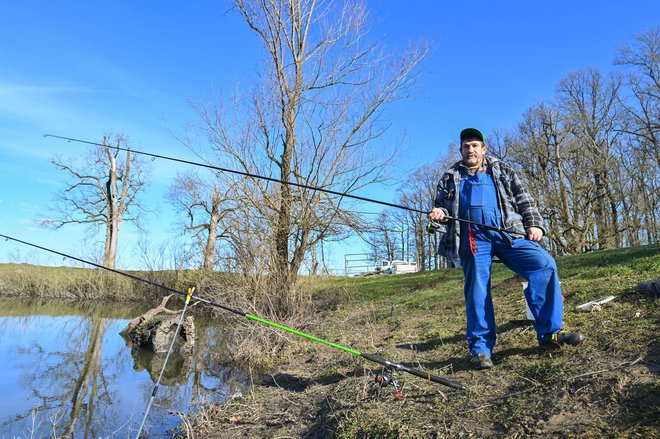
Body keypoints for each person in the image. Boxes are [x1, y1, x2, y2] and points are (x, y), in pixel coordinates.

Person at [429, 127, 584, 370]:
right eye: (466, 146)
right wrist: (439, 214)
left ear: (484, 148)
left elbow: (524, 199)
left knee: (544, 265)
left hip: (508, 232)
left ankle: (550, 334)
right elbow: (442, 209)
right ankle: (480, 349)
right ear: (461, 150)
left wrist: (534, 224)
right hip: (472, 237)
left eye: (475, 145)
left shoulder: (502, 169)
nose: (470, 149)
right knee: (477, 289)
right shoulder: (449, 177)